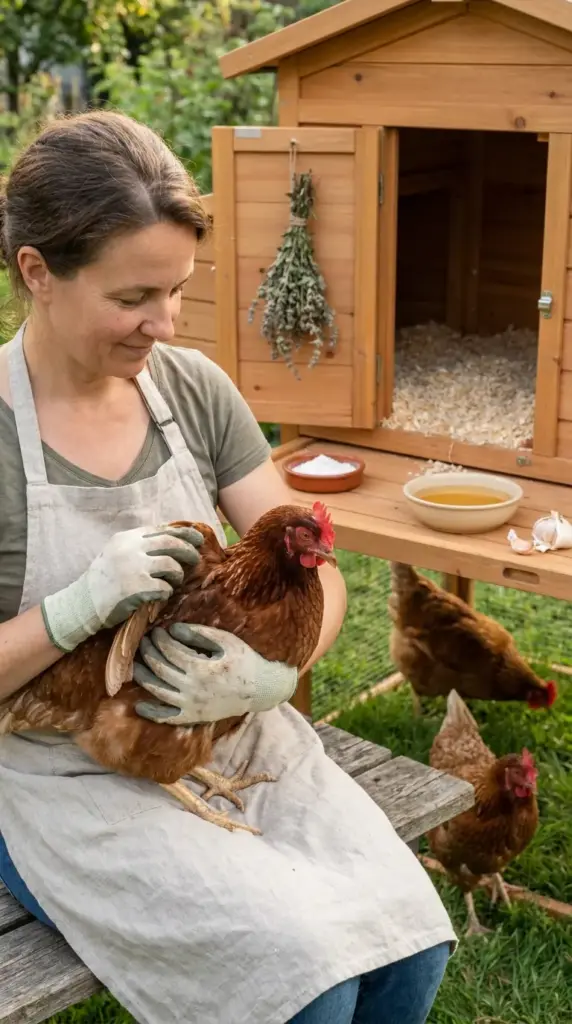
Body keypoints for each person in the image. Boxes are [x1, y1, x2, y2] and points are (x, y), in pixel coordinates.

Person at [0, 110, 455, 1024]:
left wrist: (274, 672)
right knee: (304, 989)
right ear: (38, 273)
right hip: (57, 773)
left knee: (410, 947)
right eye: (134, 297)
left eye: (178, 290)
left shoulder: (192, 389)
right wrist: (76, 608)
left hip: (229, 733)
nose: (162, 324)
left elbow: (314, 566)